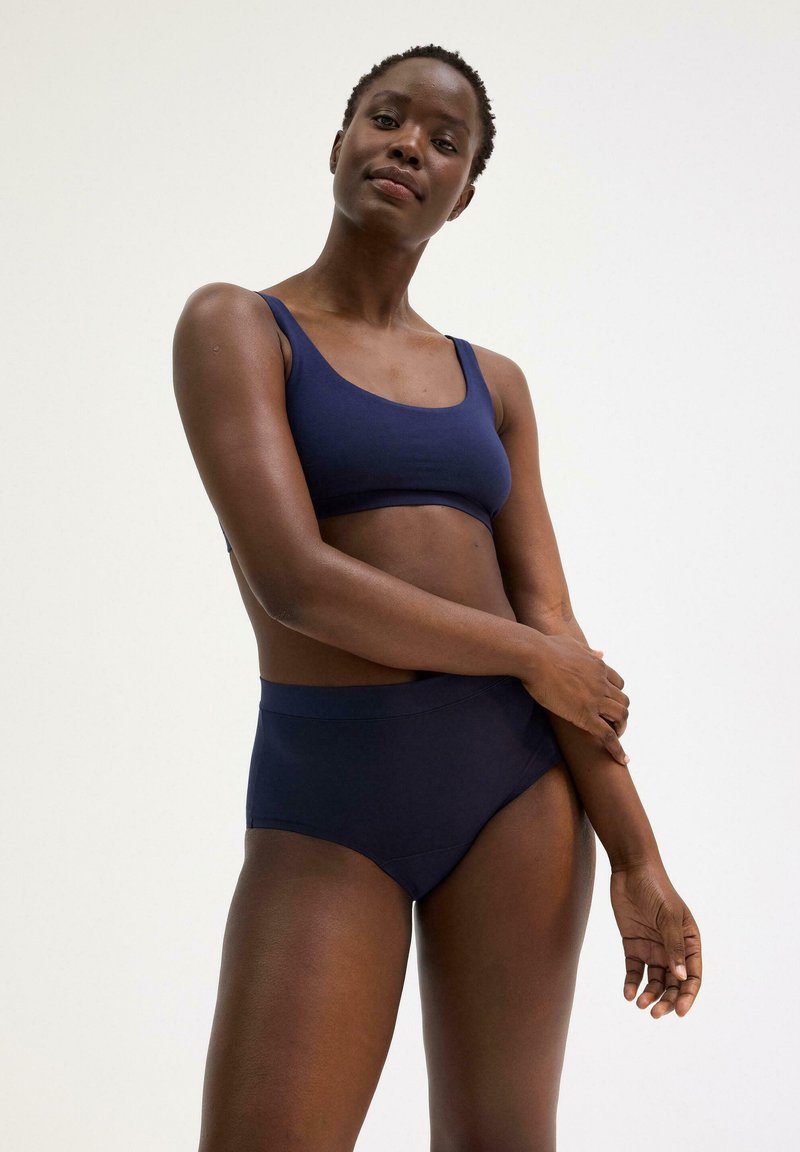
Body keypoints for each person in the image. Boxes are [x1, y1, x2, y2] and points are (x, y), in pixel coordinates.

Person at [173, 43, 702, 1152]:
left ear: (462, 196)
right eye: (387, 117)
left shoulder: (491, 384)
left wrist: (638, 858)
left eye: (445, 141)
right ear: (339, 143)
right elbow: (292, 579)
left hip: (514, 793)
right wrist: (524, 656)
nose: (409, 145)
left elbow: (555, 630)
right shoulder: (237, 327)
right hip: (327, 799)